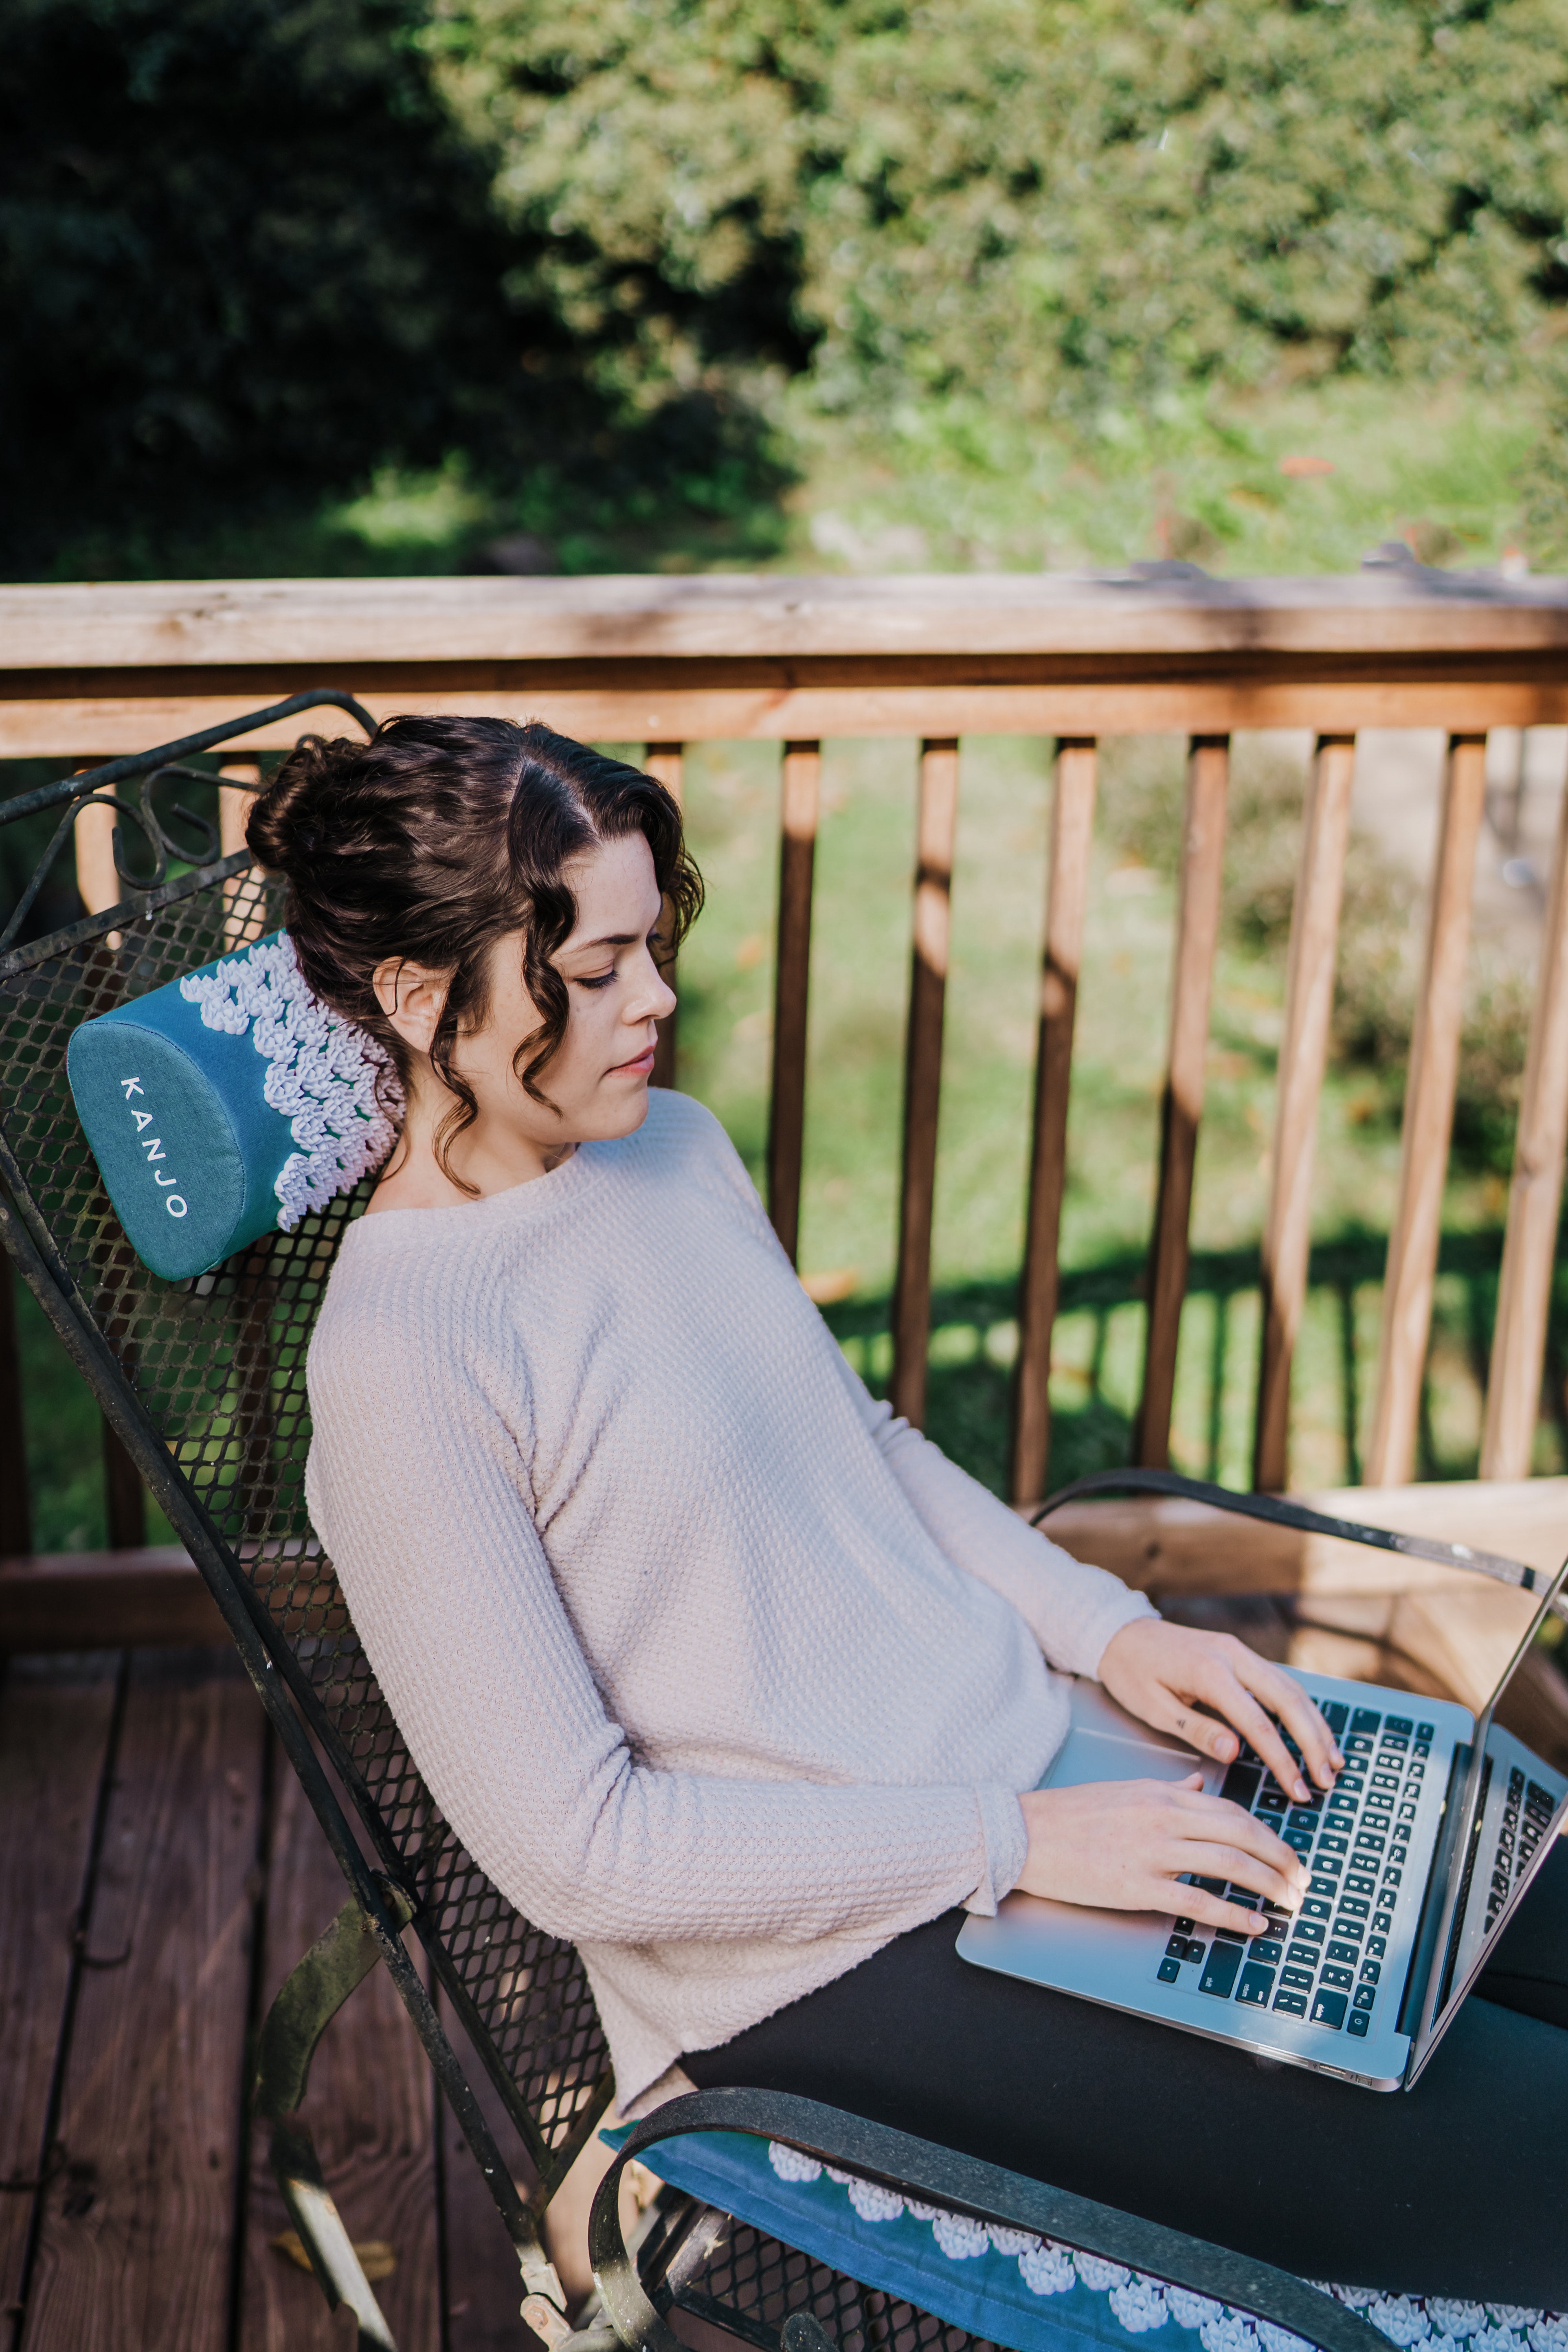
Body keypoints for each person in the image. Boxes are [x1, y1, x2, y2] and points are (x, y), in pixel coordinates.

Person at [251, 715, 1568, 2310]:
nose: (656, 998)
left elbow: (857, 1441)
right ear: (415, 996)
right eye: (590, 970)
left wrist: (1114, 1629)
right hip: (838, 1962)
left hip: (1047, 1751)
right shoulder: (407, 1366)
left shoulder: (669, 1146)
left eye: (653, 943)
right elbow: (583, 1855)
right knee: (1521, 2150)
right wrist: (1014, 1840)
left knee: (1512, 1888)